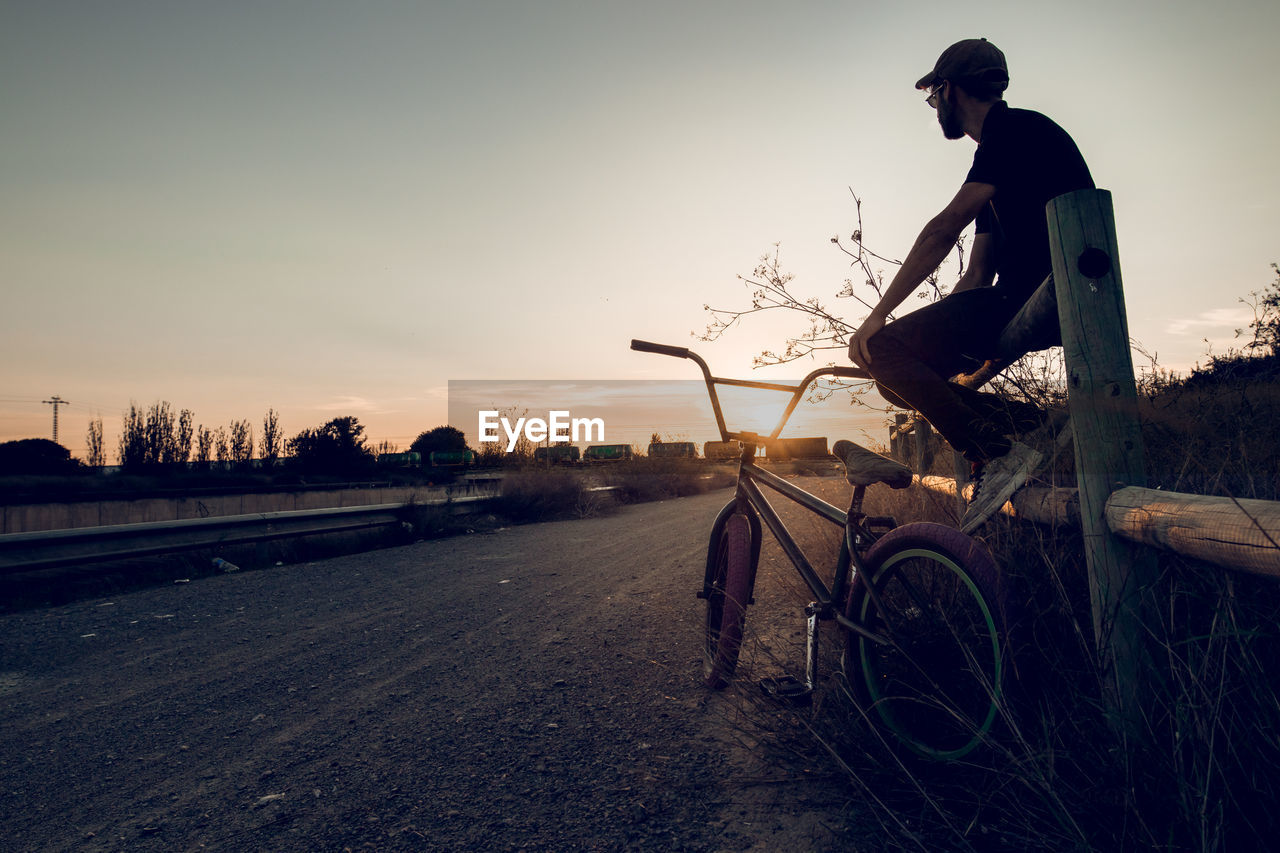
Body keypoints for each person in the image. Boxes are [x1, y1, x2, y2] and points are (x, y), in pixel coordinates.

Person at [845, 38, 1094, 532]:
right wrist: (927, 346)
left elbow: (945, 228)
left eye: (934, 94)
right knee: (900, 379)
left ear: (951, 90)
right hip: (1012, 297)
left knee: (885, 350)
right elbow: (976, 273)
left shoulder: (1014, 131)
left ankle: (999, 452)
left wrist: (881, 319)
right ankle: (1028, 425)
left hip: (1049, 291)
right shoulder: (994, 160)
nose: (934, 106)